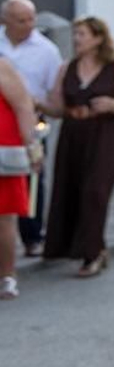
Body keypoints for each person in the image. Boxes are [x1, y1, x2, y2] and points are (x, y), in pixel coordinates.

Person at [38, 17, 114, 277]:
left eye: (82, 34)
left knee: (95, 190)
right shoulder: (67, 68)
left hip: (105, 132)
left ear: (98, 38)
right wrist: (34, 103)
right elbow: (57, 107)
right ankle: (93, 246)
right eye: (75, 34)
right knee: (71, 188)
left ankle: (91, 254)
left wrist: (113, 104)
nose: (76, 40)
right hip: (74, 132)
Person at [1, 0, 64, 257]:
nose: (28, 24)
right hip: (2, 120)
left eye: (31, 19)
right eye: (21, 20)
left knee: (31, 179)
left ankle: (32, 235)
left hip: (32, 120)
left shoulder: (47, 50)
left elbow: (55, 97)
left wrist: (39, 104)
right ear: (6, 20)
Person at [0, 58, 39, 299]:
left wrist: (32, 146)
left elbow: (23, 106)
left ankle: (7, 275)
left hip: (3, 149)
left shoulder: (2, 67)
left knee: (4, 218)